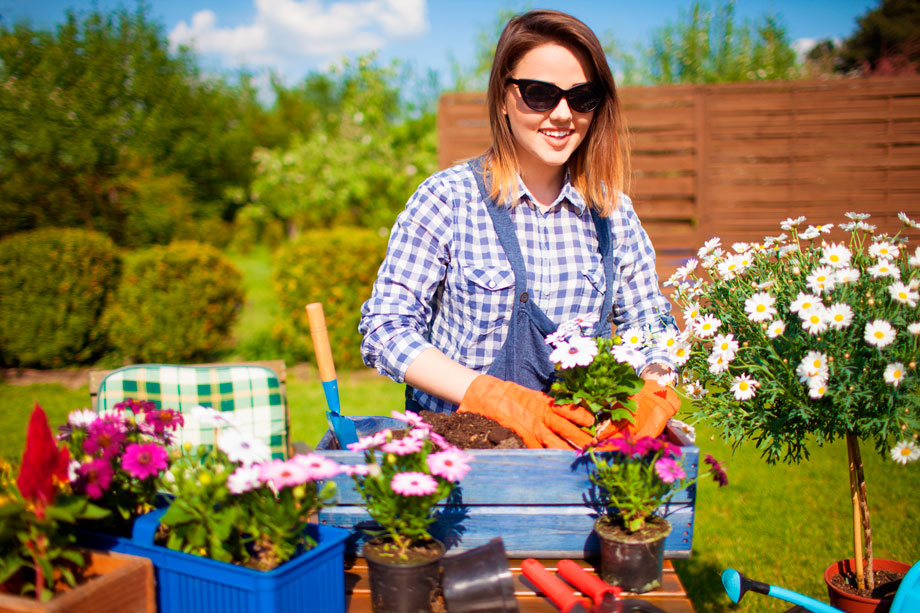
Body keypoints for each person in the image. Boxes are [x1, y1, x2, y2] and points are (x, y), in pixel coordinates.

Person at [359, 9, 679, 449]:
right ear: (504, 98)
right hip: (462, 457)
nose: (564, 114)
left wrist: (654, 385)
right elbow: (386, 329)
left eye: (582, 96)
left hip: (578, 454)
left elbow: (648, 321)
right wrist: (486, 394)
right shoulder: (449, 200)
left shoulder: (612, 213)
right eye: (540, 93)